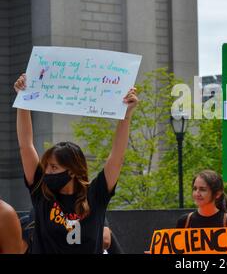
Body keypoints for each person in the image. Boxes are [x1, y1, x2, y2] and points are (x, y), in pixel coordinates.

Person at [14, 73, 138, 254]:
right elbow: (26, 146)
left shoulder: (96, 195)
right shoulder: (42, 192)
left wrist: (126, 115)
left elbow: (117, 157)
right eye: (46, 166)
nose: (47, 171)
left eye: (54, 167)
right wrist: (22, 101)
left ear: (73, 171)